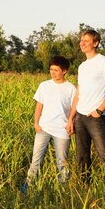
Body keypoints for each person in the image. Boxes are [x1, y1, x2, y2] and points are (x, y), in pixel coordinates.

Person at [66, 29, 105, 182]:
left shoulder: (104, 62)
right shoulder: (82, 66)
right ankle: (84, 187)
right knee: (81, 157)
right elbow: (78, 93)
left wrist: (99, 111)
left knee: (104, 155)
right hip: (80, 117)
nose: (82, 43)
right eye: (81, 40)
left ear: (95, 43)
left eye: (86, 40)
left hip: (96, 118)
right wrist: (71, 118)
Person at [22, 56, 76, 193]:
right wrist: (36, 123)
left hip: (62, 130)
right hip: (43, 128)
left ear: (64, 71)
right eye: (51, 69)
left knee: (62, 161)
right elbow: (39, 106)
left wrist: (71, 123)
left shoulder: (71, 88)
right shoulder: (44, 85)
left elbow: (73, 110)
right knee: (36, 159)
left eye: (56, 70)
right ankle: (28, 186)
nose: (53, 72)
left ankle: (63, 190)